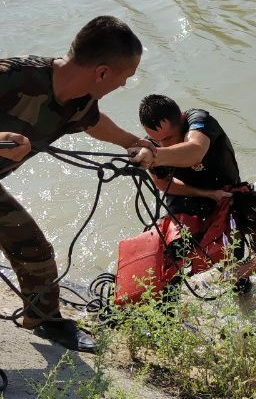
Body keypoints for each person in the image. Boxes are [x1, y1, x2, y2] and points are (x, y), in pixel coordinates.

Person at [0, 16, 156, 353]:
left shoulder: (81, 101)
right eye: (124, 78)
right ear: (102, 73)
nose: (124, 85)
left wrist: (136, 143)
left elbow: (95, 123)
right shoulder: (13, 76)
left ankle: (44, 321)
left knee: (34, 251)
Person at [137, 94, 241, 217]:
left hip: (227, 190)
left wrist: (154, 156)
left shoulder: (200, 120)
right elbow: (163, 183)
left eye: (168, 138)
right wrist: (207, 194)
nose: (162, 144)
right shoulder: (151, 145)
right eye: (156, 140)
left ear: (182, 118)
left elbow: (195, 151)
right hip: (184, 195)